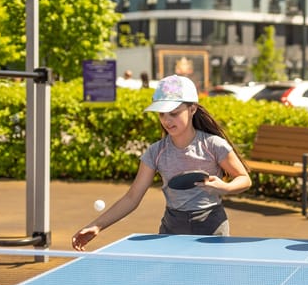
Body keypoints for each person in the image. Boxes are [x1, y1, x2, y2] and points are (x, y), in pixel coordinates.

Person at [72, 75, 252, 251]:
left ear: (192, 109)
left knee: (210, 280)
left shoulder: (212, 145)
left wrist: (225, 188)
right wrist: (97, 225)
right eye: (161, 114)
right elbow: (132, 197)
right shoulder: (156, 152)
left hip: (211, 228)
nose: (166, 120)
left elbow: (244, 178)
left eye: (174, 113)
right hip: (172, 228)